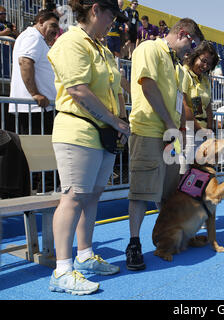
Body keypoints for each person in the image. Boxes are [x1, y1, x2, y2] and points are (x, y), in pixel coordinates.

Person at [46, 0, 130, 295]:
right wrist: (116, 122)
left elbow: (115, 90)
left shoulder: (102, 48)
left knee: (92, 197)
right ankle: (62, 270)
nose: (114, 23)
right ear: (95, 10)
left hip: (103, 132)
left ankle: (84, 256)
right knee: (73, 196)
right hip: (77, 130)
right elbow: (77, 90)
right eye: (111, 15)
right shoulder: (71, 41)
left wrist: (120, 120)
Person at [126, 18, 204, 271]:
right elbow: (148, 86)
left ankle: (169, 236)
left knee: (169, 192)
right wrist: (171, 124)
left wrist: (180, 129)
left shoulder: (177, 67)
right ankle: (134, 243)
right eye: (191, 46)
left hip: (171, 137)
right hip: (148, 131)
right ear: (182, 34)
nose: (190, 53)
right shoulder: (149, 49)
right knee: (141, 192)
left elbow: (180, 101)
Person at [8, 10, 59, 135]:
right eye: (53, 25)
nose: (56, 30)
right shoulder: (33, 36)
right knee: (37, 152)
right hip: (35, 109)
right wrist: (35, 93)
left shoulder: (35, 38)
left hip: (39, 109)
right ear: (41, 21)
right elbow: (25, 62)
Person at [180, 41, 219, 174]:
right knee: (186, 172)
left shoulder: (205, 80)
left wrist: (209, 129)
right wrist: (199, 129)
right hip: (189, 131)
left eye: (209, 64)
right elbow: (184, 105)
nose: (205, 66)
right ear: (195, 56)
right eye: (203, 61)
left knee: (203, 173)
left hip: (203, 132)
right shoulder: (184, 73)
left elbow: (207, 106)